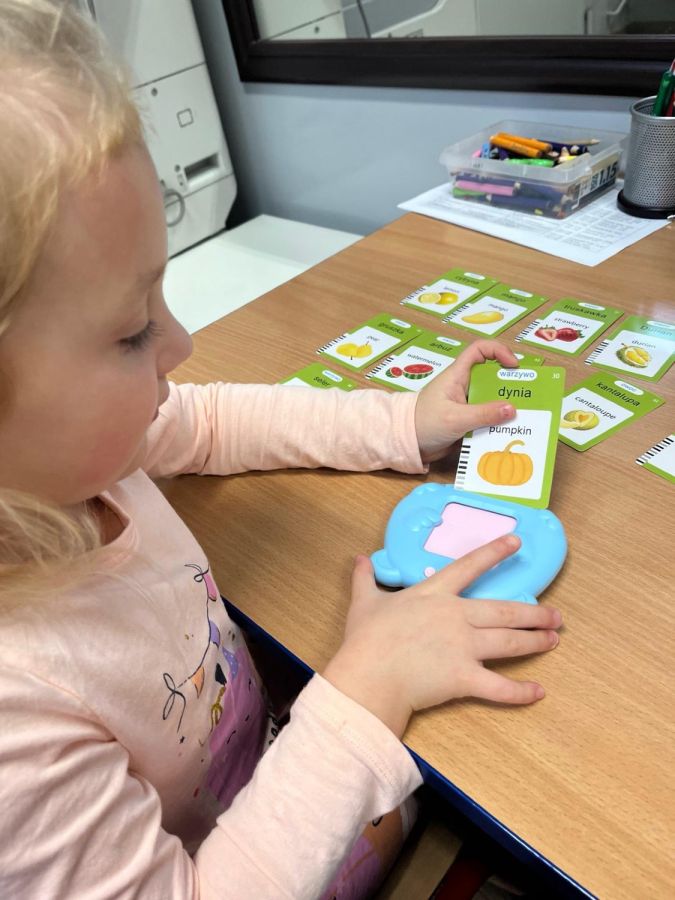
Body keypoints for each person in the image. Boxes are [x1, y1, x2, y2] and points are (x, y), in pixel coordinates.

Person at [0, 2, 562, 897]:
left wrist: (401, 423)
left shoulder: (76, 458)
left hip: (280, 772)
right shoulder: (15, 728)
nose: (182, 345)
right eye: (132, 331)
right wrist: (368, 683)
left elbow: (217, 421)